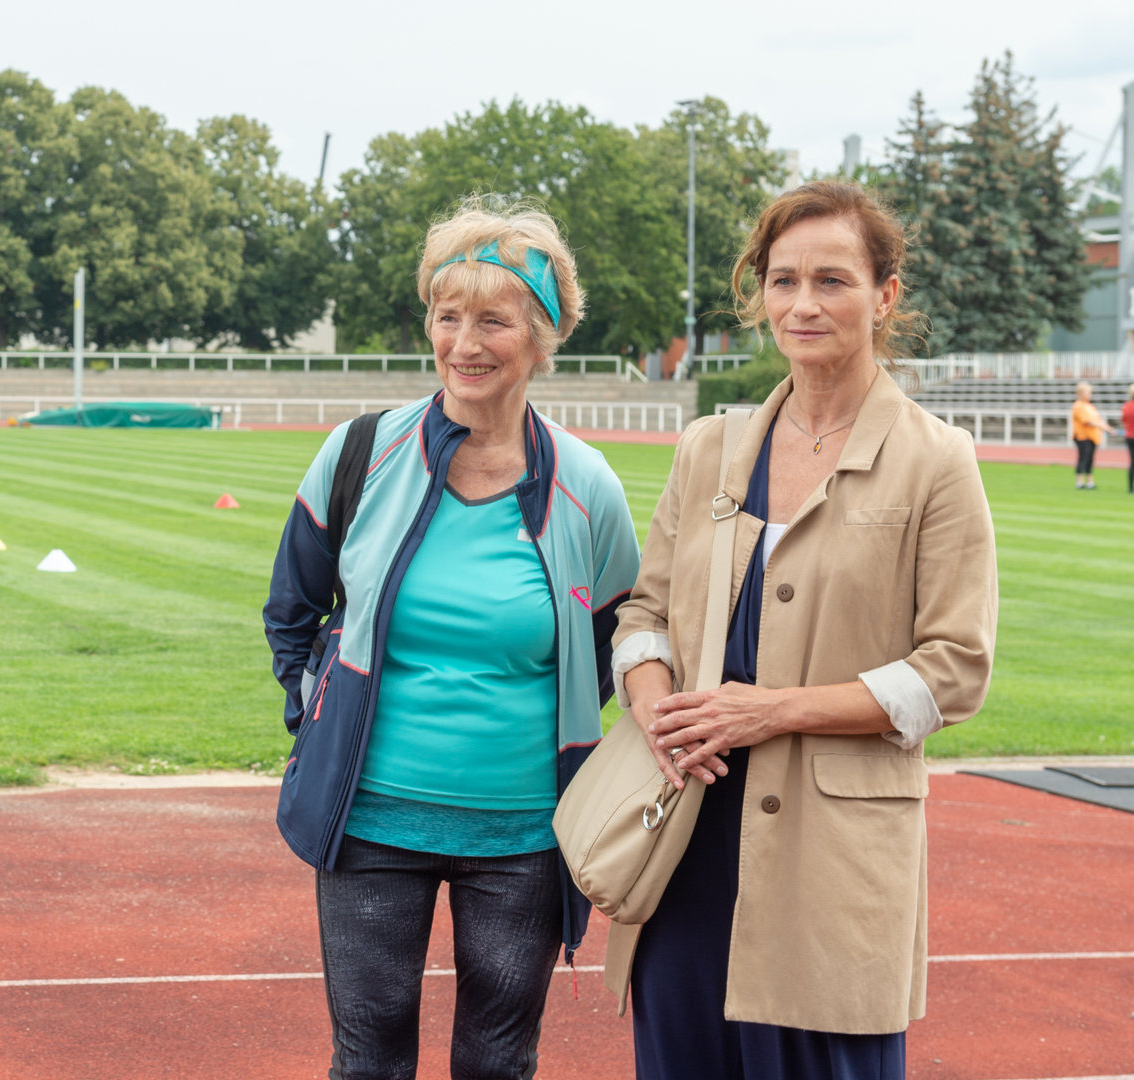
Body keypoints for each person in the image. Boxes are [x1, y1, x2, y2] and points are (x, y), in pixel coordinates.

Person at [608, 181, 998, 1079]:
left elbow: (954, 670)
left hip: (834, 858)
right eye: (782, 281)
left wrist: (769, 711)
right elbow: (641, 616)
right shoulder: (708, 446)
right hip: (685, 836)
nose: (803, 304)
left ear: (885, 294)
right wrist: (656, 711)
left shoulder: (937, 459)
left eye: (832, 280)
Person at [264, 196, 641, 1079]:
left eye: (493, 320)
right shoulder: (361, 452)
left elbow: (617, 637)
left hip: (522, 834)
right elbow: (293, 608)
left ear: (541, 337)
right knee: (368, 1058)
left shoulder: (587, 485)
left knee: (496, 1061)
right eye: (447, 315)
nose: (464, 342)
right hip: (368, 820)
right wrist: (311, 713)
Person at [1071, 381, 1106, 489]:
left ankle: (1090, 482)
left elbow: (1097, 420)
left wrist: (1106, 427)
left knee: (1090, 459)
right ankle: (1079, 482)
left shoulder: (1090, 406)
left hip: (1092, 436)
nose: (1089, 395)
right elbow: (1087, 421)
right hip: (1082, 436)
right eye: (1088, 393)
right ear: (1081, 393)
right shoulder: (1078, 406)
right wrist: (1105, 428)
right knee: (1083, 458)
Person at [1122, 384, 1134, 493]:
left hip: (1129, 436)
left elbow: (1124, 420)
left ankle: (1130, 487)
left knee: (1132, 462)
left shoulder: (1126, 406)